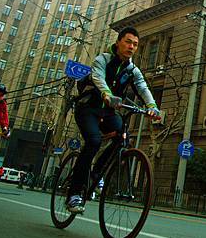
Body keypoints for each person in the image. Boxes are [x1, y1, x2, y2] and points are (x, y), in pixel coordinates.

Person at [67, 26, 159, 213]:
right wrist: (107, 95)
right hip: (88, 107)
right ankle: (74, 194)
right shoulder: (103, 59)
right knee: (93, 141)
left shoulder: (133, 70)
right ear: (118, 42)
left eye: (135, 44)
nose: (131, 46)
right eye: (128, 42)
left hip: (109, 113)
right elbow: (98, 77)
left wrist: (152, 107)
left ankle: (96, 174)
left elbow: (142, 88)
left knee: (123, 139)